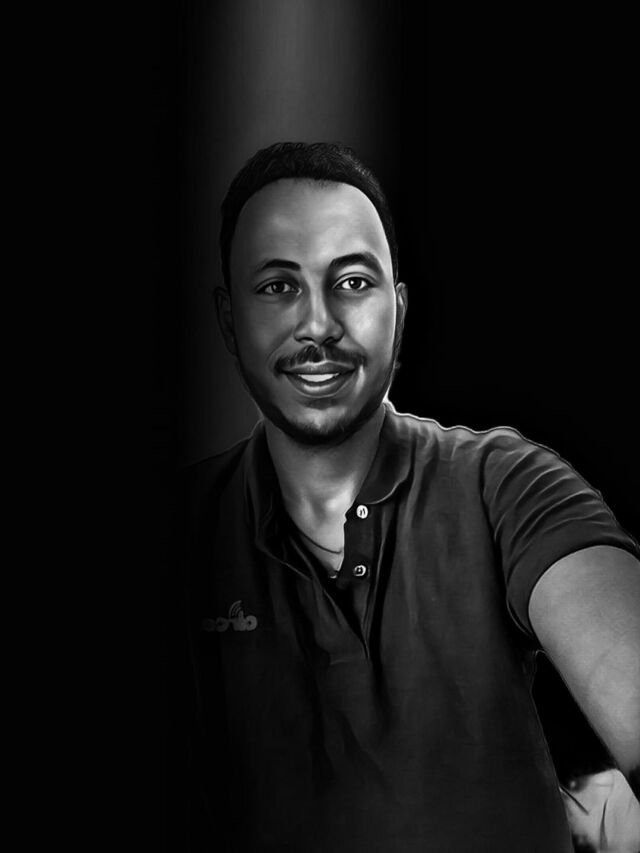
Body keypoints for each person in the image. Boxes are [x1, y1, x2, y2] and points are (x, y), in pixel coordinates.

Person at [182, 142, 640, 852]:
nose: (317, 325)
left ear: (397, 309)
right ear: (228, 319)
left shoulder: (505, 483)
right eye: (276, 286)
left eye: (352, 281)